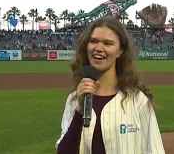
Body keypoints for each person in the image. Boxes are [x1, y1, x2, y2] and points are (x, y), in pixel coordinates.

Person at [55, 16, 165, 154]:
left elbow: (155, 150)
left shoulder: (138, 101)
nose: (98, 48)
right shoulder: (75, 100)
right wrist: (79, 112)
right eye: (93, 41)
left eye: (107, 43)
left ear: (120, 51)